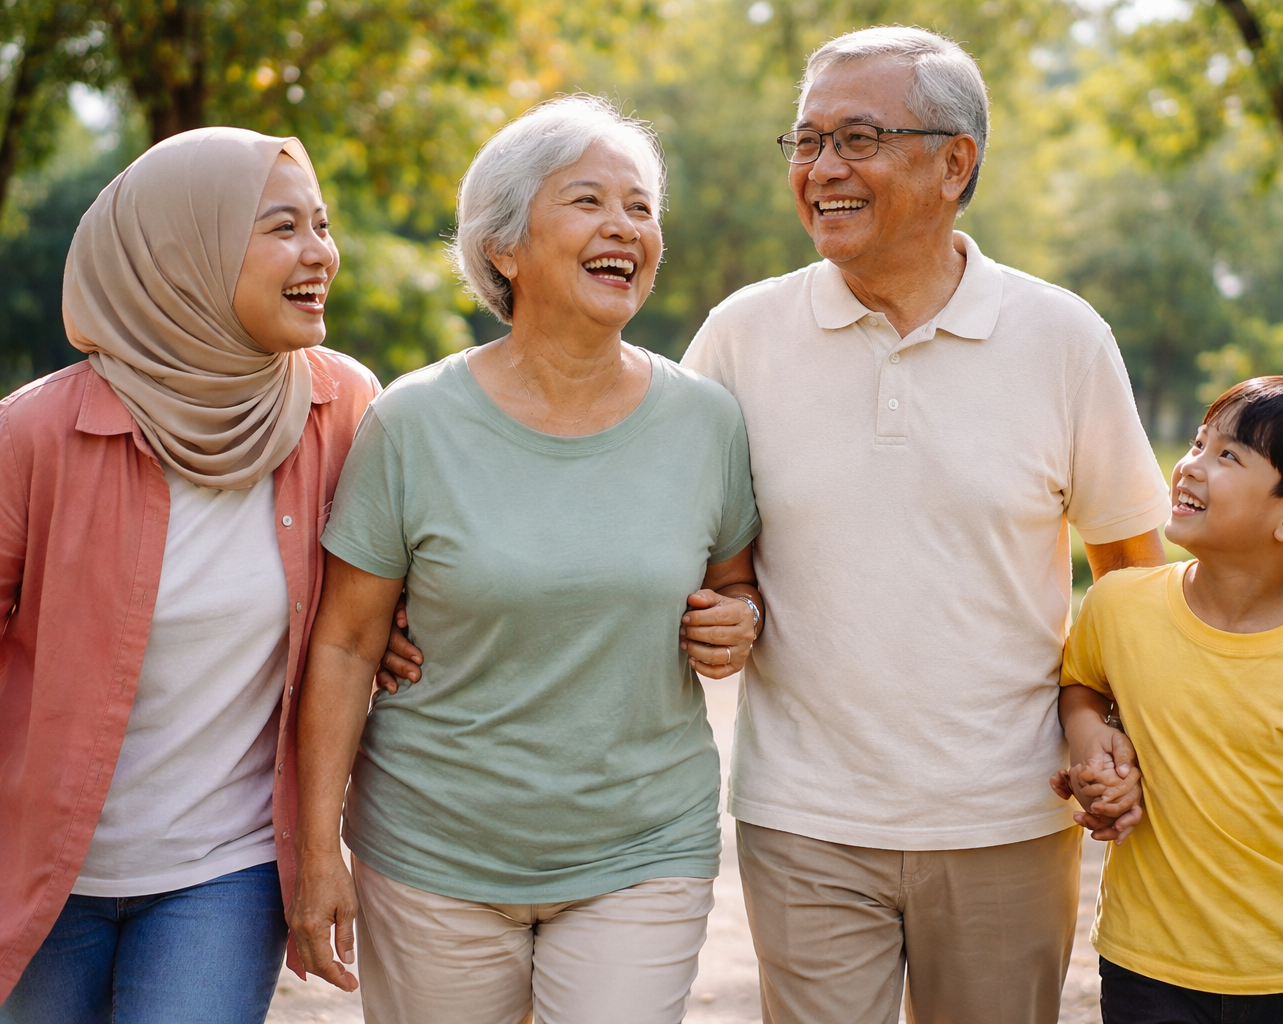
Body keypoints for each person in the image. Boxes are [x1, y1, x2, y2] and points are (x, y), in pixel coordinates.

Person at [679, 26, 1166, 1024]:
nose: (821, 169)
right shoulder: (739, 335)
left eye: (858, 139)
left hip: (1008, 814)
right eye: (806, 141)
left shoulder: (1063, 338)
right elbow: (673, 534)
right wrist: (729, 607)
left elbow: (1131, 574)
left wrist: (1108, 730)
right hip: (804, 816)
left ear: (956, 163)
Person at [287, 95, 762, 1024]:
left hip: (642, 845)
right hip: (433, 851)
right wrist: (315, 857)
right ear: (503, 247)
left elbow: (737, 583)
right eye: (588, 201)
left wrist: (740, 619)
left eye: (640, 207)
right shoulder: (412, 424)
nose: (624, 226)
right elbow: (344, 645)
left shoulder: (707, 422)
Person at [0, 127, 387, 1023]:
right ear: (184, 252)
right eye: (283, 226)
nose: (320, 253)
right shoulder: (35, 437)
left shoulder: (342, 408)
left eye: (322, 225)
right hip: (44, 870)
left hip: (225, 868)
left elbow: (373, 604)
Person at [1056, 376, 1283, 1024]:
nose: (1190, 465)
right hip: (1146, 965)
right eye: (1199, 442)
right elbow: (1080, 683)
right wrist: (1088, 733)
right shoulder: (1118, 605)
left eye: (1228, 455)